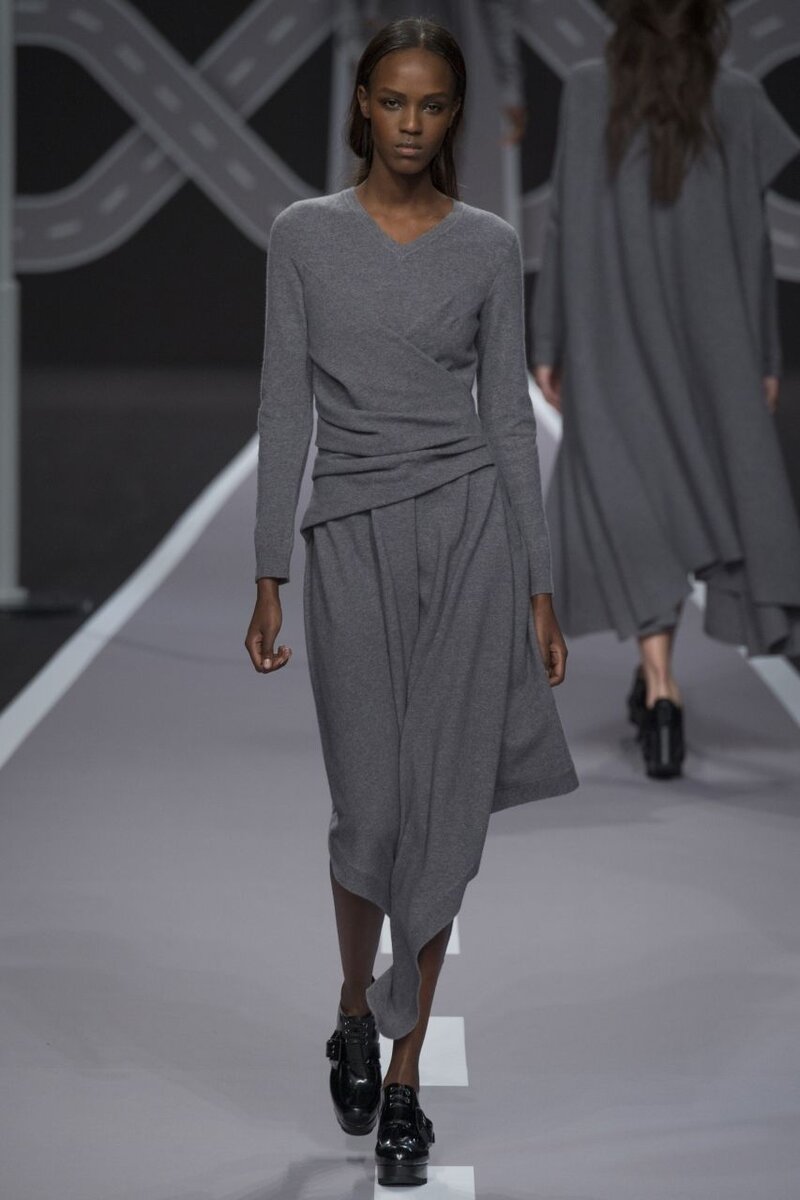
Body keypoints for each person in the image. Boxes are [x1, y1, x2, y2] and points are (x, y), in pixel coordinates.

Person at [244, 16, 578, 1188]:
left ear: (452, 116)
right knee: (371, 815)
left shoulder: (487, 245)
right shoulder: (302, 235)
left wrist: (538, 584)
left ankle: (401, 1078)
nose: (410, 124)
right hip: (349, 539)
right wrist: (269, 572)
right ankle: (355, 1002)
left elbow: (506, 419)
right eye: (392, 101)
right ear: (362, 105)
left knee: (439, 815)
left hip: (469, 536)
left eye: (431, 105)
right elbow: (284, 403)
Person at [533, 0, 800, 781]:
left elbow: (562, 221)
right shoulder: (737, 97)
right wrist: (763, 355)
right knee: (686, 501)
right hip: (710, 346)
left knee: (636, 498)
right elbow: (754, 243)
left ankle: (659, 684)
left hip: (611, 338)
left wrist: (549, 339)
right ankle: (659, 686)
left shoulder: (589, 89)